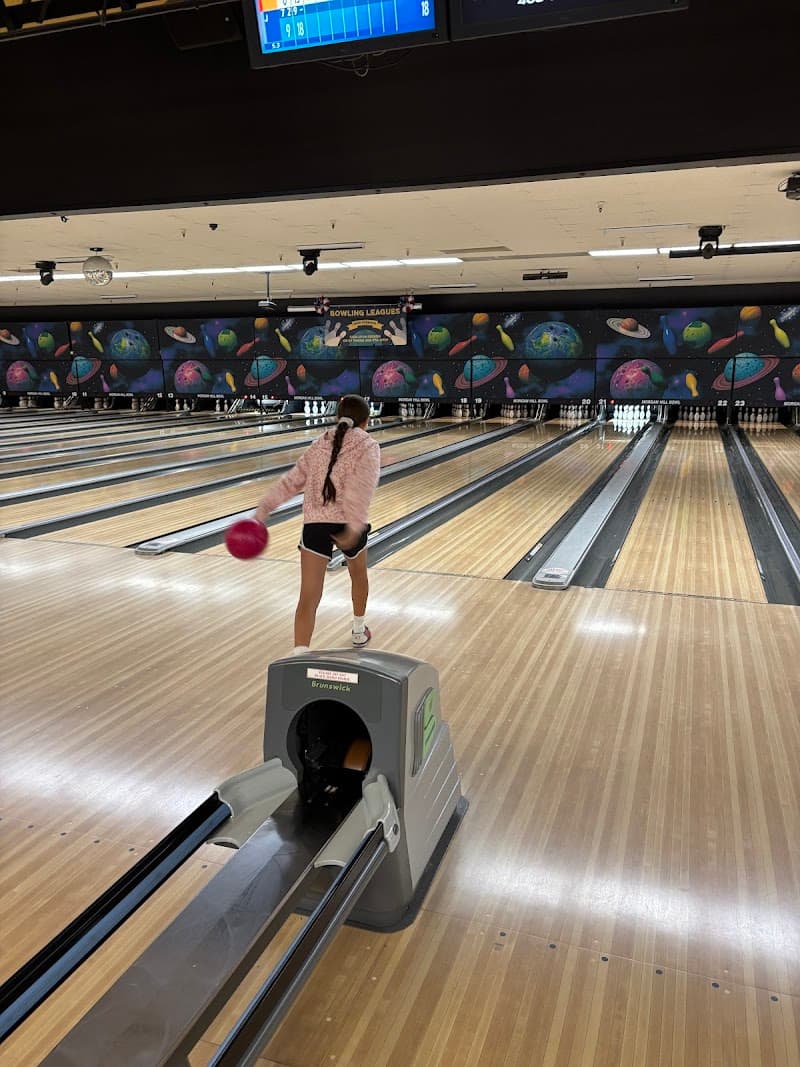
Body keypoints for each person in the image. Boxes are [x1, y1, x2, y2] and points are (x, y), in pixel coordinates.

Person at [255, 394, 381, 655]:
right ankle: (359, 631)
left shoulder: (318, 443)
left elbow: (291, 481)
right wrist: (354, 526)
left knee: (308, 597)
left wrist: (264, 508)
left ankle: (299, 654)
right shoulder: (369, 445)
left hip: (315, 523)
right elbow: (362, 488)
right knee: (358, 575)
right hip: (348, 523)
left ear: (337, 417)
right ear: (366, 421)